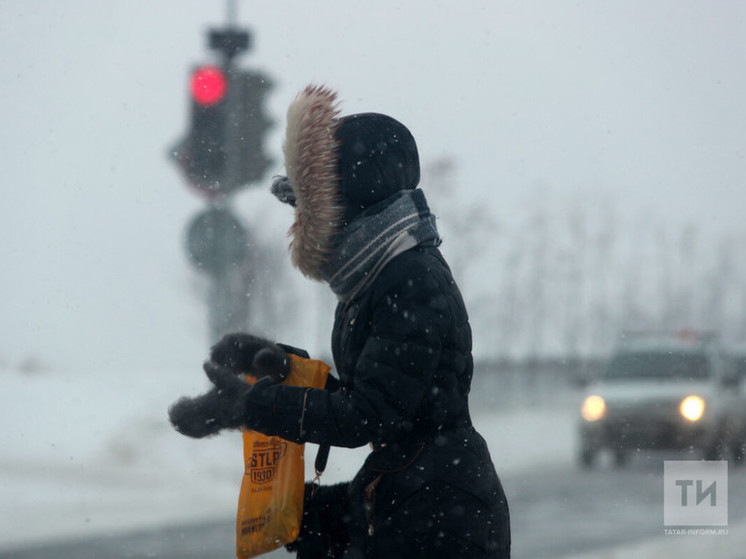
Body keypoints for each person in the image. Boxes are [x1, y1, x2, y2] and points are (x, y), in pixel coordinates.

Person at [169, 84, 511, 559]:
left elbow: (367, 415)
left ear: (346, 202)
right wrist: (282, 370)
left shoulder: (410, 279)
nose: (298, 221)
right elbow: (382, 400)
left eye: (305, 206)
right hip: (411, 493)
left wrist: (252, 406)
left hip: (440, 514)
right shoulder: (376, 276)